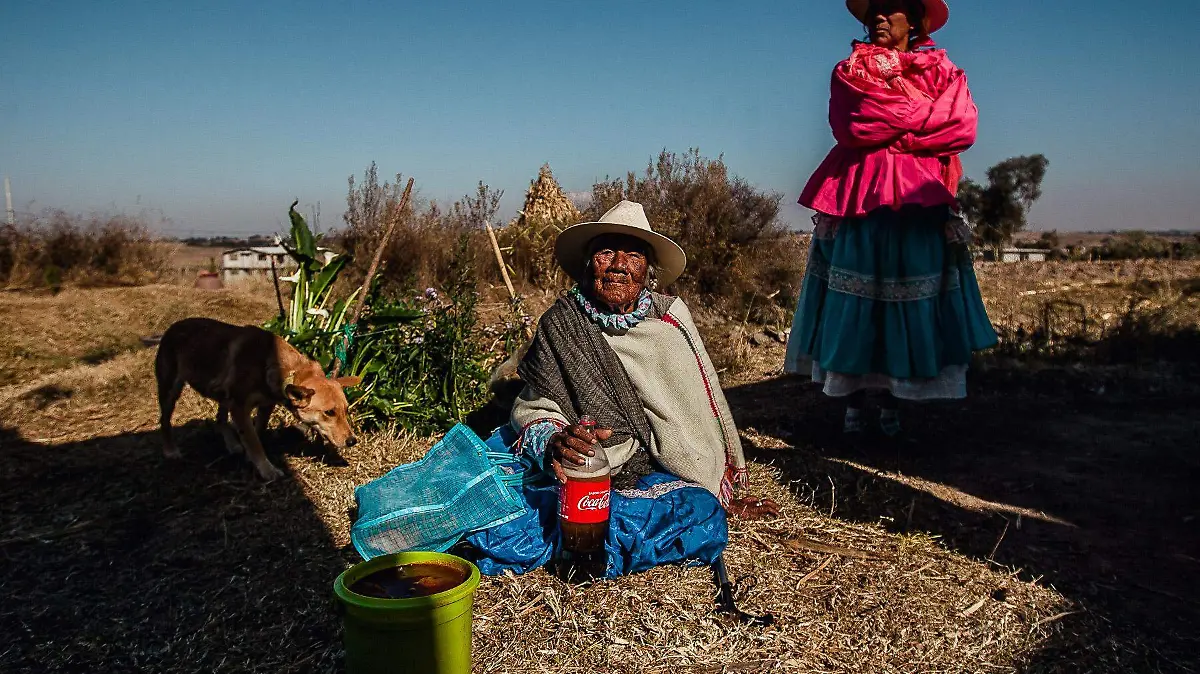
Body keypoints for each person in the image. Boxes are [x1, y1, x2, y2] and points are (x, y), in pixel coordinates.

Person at [466, 200, 779, 578]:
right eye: (606, 252)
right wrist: (555, 439)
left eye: (633, 253)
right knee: (489, 498)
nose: (618, 264)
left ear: (648, 269)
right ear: (588, 263)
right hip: (575, 467)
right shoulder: (563, 323)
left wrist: (718, 488)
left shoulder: (669, 323)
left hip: (648, 469)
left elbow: (695, 417)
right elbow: (536, 403)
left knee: (700, 510)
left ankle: (585, 540)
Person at [784, 0, 997, 436]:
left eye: (891, 9)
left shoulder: (943, 70)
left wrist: (893, 126)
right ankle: (856, 402)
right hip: (861, 196)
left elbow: (961, 126)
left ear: (913, 21)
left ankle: (894, 401)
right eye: (875, 10)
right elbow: (854, 125)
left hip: (918, 201)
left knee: (908, 289)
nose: (880, 17)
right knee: (857, 293)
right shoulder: (850, 71)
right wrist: (923, 124)